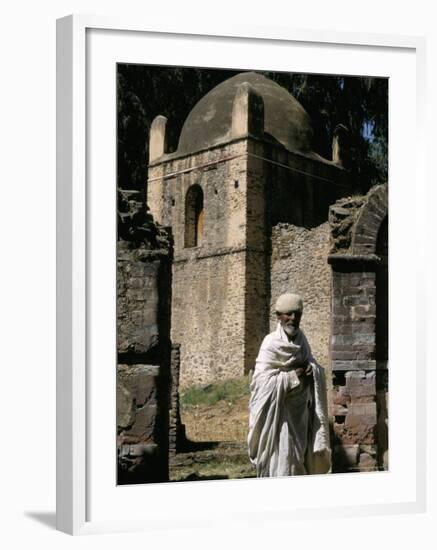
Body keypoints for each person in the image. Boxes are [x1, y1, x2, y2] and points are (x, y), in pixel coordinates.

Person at [247, 292, 331, 477]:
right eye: (288, 314)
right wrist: (295, 374)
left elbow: (313, 364)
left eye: (297, 314)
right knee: (282, 461)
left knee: (298, 459)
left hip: (300, 415)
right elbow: (261, 383)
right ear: (278, 316)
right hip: (278, 415)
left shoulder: (301, 339)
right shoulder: (270, 343)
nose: (293, 318)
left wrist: (311, 369)